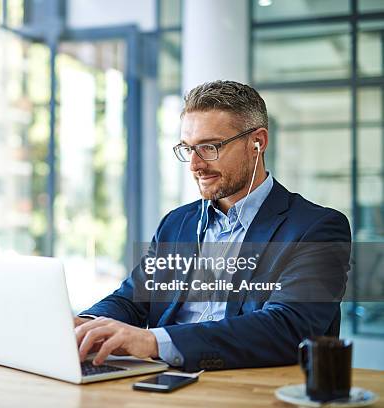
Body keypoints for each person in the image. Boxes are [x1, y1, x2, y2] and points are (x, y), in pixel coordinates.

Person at [74, 80, 351, 372]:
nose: (195, 165)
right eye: (187, 148)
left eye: (209, 147)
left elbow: (288, 328)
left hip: (247, 387)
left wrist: (155, 342)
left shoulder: (316, 228)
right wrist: (88, 325)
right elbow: (132, 299)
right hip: (162, 381)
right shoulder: (176, 223)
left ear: (258, 142)